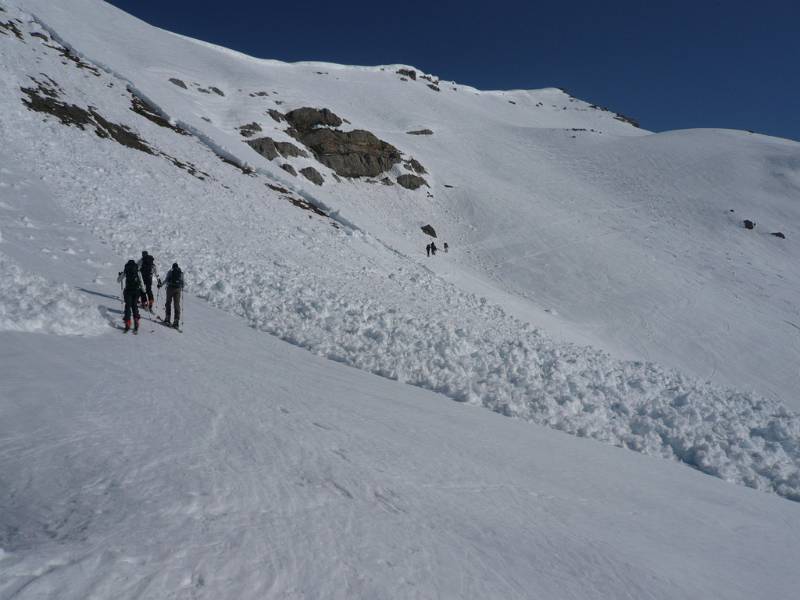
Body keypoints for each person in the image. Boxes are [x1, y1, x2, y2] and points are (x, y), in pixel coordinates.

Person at [117, 259, 143, 332]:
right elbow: (141, 281)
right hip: (136, 291)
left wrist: (120, 275)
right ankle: (136, 320)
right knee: (134, 305)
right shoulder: (137, 270)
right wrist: (143, 290)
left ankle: (127, 322)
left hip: (128, 291)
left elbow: (118, 280)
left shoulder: (126, 270)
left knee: (128, 306)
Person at [158, 262, 184, 328]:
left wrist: (161, 285)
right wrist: (181, 287)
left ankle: (167, 318)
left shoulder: (170, 271)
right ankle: (176, 321)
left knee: (168, 303)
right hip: (178, 290)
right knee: (177, 304)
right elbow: (183, 283)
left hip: (170, 289)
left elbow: (166, 280)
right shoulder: (181, 273)